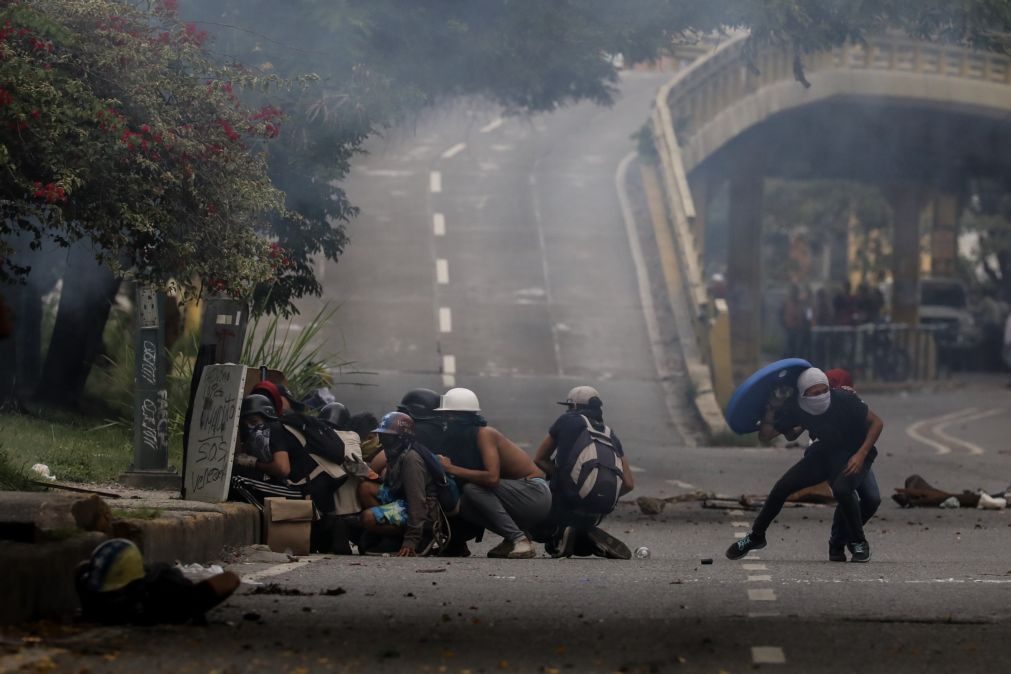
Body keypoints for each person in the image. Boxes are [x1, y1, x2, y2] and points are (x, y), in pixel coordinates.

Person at [726, 367, 883, 563]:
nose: (820, 396)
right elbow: (769, 436)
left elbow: (877, 423)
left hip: (853, 452)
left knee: (846, 491)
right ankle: (756, 536)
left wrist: (860, 455)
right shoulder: (797, 407)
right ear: (803, 395)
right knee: (782, 488)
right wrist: (772, 409)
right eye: (814, 393)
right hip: (823, 453)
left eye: (824, 391)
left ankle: (858, 542)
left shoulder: (844, 399)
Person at [434, 388, 551, 559]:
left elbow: (492, 478)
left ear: (461, 416)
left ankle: (520, 540)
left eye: (449, 416)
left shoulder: (485, 434)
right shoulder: (464, 439)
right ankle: (512, 538)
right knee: (463, 504)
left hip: (534, 493)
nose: (446, 421)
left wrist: (451, 468)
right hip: (517, 496)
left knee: (472, 489)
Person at [533, 386, 634, 559]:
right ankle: (585, 535)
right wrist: (601, 495)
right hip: (598, 509)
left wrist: (559, 476)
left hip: (567, 503)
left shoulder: (567, 420)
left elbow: (540, 459)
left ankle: (558, 534)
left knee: (537, 520)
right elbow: (629, 483)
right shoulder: (610, 434)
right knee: (582, 550)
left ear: (573, 407)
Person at [75, 539, 239, 625]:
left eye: (117, 595)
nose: (111, 603)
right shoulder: (89, 587)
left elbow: (231, 579)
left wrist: (198, 603)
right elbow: (81, 568)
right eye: (105, 595)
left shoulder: (166, 597)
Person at [359, 412, 441, 557]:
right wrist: (366, 473)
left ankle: (417, 537)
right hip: (403, 499)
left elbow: (417, 501)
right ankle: (388, 533)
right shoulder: (397, 453)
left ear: (402, 438)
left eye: (388, 437)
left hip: (424, 512)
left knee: (368, 518)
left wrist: (411, 540)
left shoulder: (411, 459)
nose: (383, 441)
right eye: (382, 436)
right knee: (366, 488)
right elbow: (392, 485)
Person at [823, 369, 882, 561]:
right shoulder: (817, 404)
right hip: (831, 458)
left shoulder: (852, 403)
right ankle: (841, 543)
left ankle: (844, 537)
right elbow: (793, 430)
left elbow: (876, 423)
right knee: (845, 493)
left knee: (872, 499)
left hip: (858, 456)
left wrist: (861, 454)